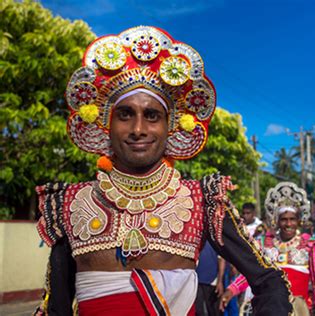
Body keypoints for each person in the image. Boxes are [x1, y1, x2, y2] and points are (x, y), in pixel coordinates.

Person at [34, 26, 292, 316]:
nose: (138, 129)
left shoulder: (202, 201)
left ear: (170, 127)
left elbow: (269, 279)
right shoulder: (71, 202)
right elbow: (56, 306)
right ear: (107, 124)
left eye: (152, 116)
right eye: (125, 114)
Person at [220, 182, 315, 315]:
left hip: (298, 310)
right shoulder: (264, 243)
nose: (288, 224)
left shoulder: (310, 246)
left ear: (298, 221)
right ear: (277, 221)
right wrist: (232, 290)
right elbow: (251, 272)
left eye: (292, 219)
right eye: (284, 219)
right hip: (269, 310)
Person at [195, 241, 225, 316]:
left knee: (214, 311)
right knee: (198, 311)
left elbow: (221, 259)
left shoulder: (215, 237)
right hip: (197, 280)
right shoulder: (197, 237)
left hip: (212, 281)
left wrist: (220, 281)